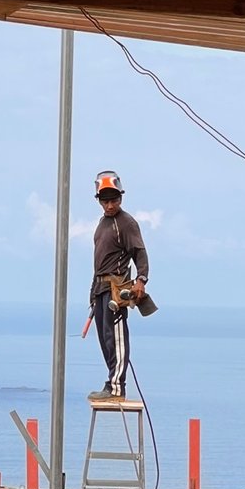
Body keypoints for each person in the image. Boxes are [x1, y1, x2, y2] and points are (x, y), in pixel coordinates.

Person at [87, 171, 149, 401]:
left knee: (117, 337)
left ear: (121, 198)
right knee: (105, 338)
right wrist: (93, 293)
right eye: (105, 200)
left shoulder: (126, 223)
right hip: (101, 288)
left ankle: (116, 387)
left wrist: (141, 280)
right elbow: (100, 262)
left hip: (117, 288)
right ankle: (111, 381)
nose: (110, 204)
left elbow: (140, 254)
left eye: (114, 200)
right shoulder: (103, 223)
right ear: (99, 201)